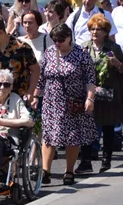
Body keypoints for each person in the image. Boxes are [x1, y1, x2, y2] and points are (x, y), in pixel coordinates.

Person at [36, 23, 97, 186]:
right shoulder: (49, 53)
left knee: (72, 137)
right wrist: (35, 97)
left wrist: (89, 99)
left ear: (70, 37)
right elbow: (41, 78)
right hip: (51, 101)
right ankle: (45, 171)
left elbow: (91, 79)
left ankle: (69, 170)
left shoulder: (81, 54)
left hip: (73, 101)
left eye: (61, 40)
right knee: (49, 135)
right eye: (54, 40)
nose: (57, 43)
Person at [79, 13, 123, 174]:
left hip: (108, 92)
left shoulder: (114, 48)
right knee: (87, 126)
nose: (95, 32)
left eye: (99, 29)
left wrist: (117, 63)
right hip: (89, 92)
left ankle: (106, 160)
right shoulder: (84, 47)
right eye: (92, 29)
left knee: (107, 126)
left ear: (106, 32)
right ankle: (86, 161)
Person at [0, 13, 39, 104]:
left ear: (1, 32)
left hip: (19, 99)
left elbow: (35, 70)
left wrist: (31, 92)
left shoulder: (22, 47)